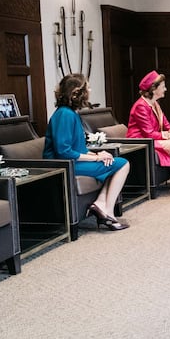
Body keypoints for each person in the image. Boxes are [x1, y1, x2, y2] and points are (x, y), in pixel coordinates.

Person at [44, 73, 130, 231]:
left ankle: (101, 205)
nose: (90, 89)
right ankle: (108, 212)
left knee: (113, 161)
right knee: (122, 164)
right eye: (87, 87)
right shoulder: (64, 115)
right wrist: (97, 158)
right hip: (64, 166)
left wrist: (99, 155)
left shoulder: (71, 114)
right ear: (77, 92)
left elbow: (79, 149)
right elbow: (64, 152)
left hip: (72, 162)